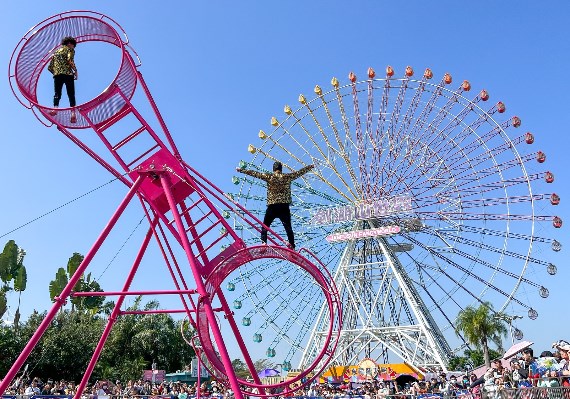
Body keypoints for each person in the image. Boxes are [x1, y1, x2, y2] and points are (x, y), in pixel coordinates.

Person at [236, 162, 314, 250]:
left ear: (273, 169)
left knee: (265, 225)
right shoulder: (287, 177)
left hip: (272, 206)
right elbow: (299, 173)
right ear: (281, 169)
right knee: (288, 228)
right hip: (284, 206)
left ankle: (264, 243)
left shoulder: (270, 176)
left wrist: (242, 170)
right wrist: (310, 167)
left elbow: (255, 174)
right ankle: (292, 246)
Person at [47, 36, 78, 122]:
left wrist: (57, 72)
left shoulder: (56, 52)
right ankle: (73, 113)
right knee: (71, 94)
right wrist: (75, 71)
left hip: (57, 75)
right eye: (73, 45)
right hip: (68, 74)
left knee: (57, 93)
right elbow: (70, 60)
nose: (73, 47)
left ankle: (55, 109)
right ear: (69, 44)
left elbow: (50, 67)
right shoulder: (70, 50)